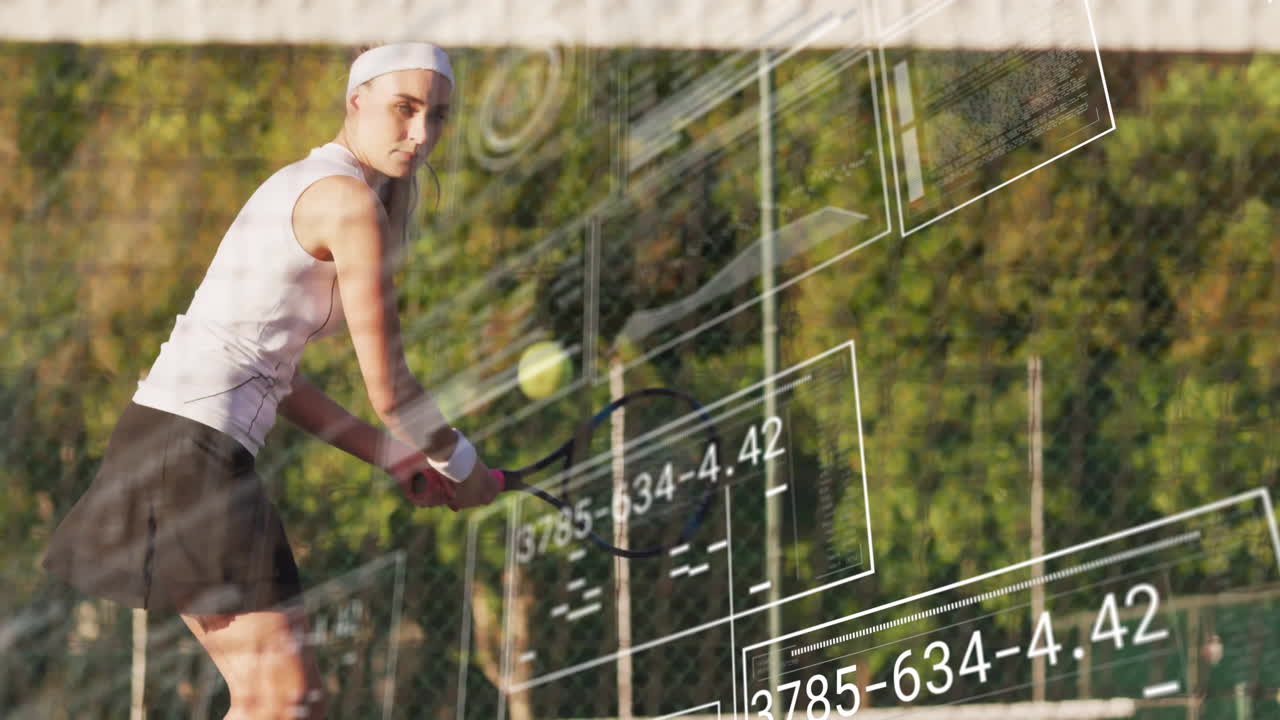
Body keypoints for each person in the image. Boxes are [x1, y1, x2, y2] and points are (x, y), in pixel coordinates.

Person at [42, 42, 499, 719]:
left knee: (274, 699)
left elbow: (279, 382)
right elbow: (392, 391)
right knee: (284, 700)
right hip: (189, 450)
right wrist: (464, 466)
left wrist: (393, 457)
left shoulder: (312, 183)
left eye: (436, 116)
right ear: (356, 101)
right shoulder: (345, 202)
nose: (421, 133)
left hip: (171, 442)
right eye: (404, 108)